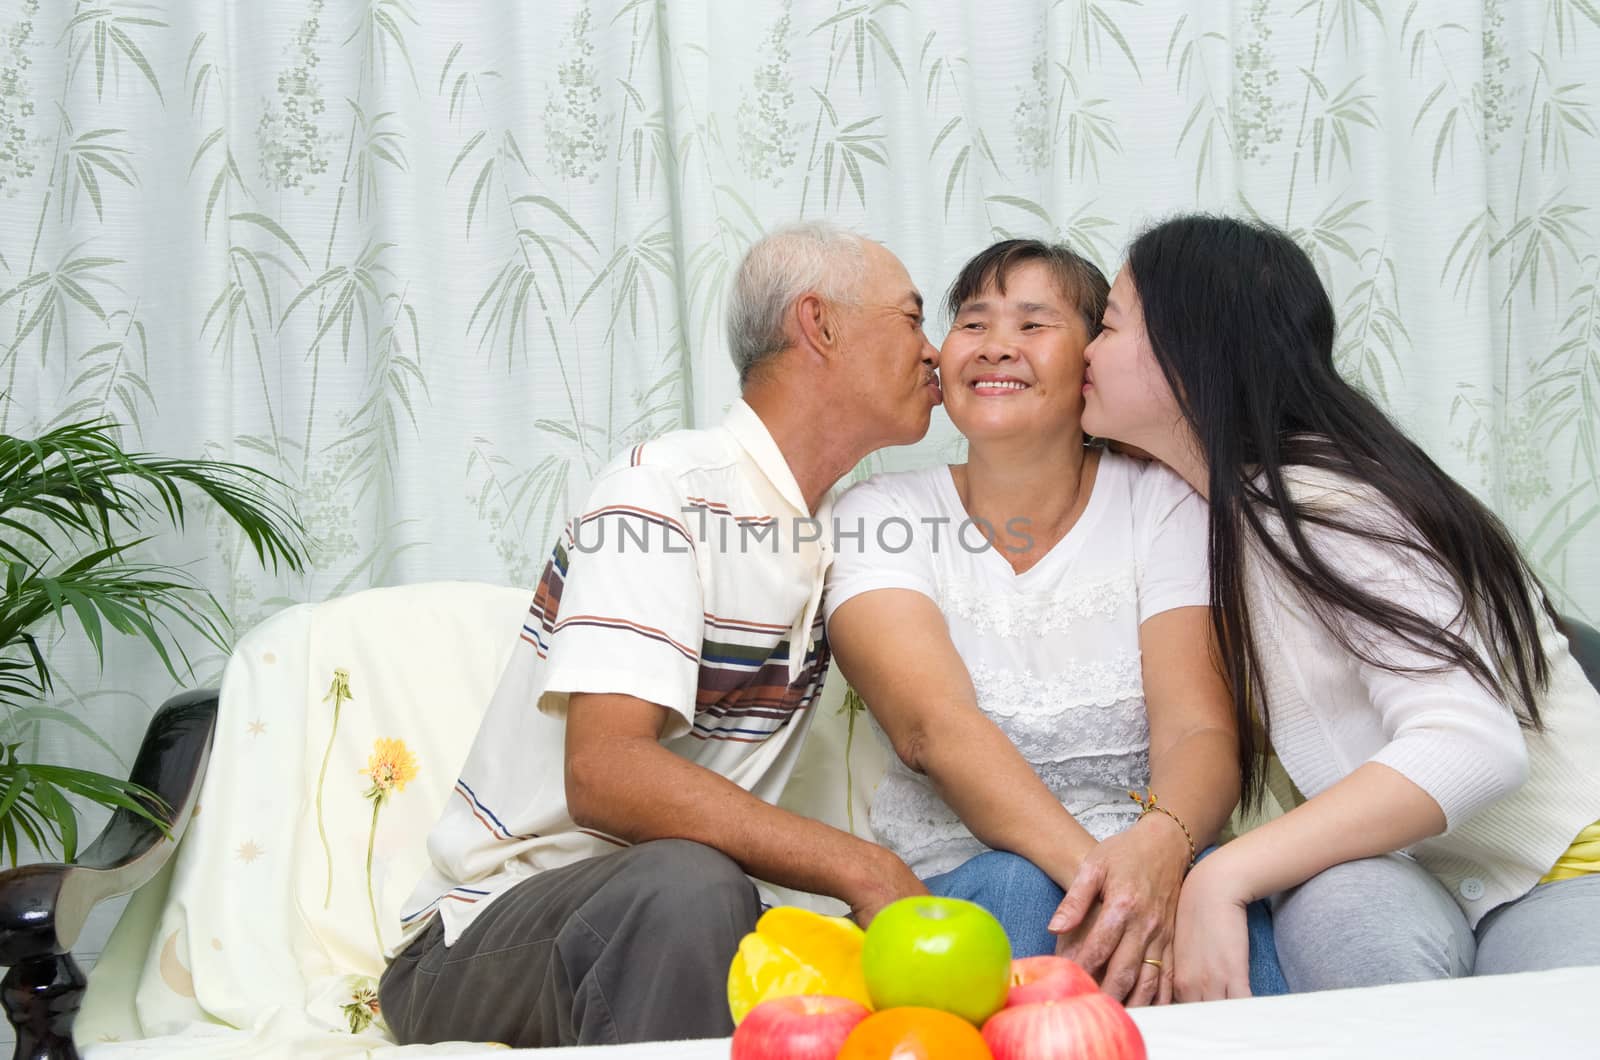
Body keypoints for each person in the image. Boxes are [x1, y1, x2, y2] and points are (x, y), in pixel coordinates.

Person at [380, 222, 943, 1047]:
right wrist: (862, 865)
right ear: (818, 324)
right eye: (912, 318)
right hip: (477, 944)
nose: (933, 351)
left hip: (672, 928)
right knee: (692, 886)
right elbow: (606, 773)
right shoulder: (661, 492)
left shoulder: (845, 532)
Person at [1077, 214, 1600, 1001]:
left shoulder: (1327, 503)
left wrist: (1222, 878)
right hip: (1426, 874)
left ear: (1190, 353)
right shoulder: (1227, 514)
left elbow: (1473, 745)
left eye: (1109, 327)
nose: (1085, 350)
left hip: (1566, 864)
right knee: (1336, 908)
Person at [823, 239, 1283, 1007]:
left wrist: (1161, 857)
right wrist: (1107, 888)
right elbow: (932, 727)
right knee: (1018, 889)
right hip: (969, 878)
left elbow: (1198, 732)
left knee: (1229, 917)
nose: (996, 344)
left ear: (1092, 364)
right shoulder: (881, 512)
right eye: (973, 323)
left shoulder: (1161, 500)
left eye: (1034, 324)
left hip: (1159, 864)